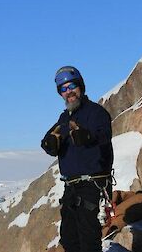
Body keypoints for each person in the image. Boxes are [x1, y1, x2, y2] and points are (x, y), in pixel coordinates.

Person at [41, 66, 114, 252]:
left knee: (88, 240)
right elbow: (50, 141)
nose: (69, 92)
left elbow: (104, 136)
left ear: (80, 87)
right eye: (63, 89)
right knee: (69, 240)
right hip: (71, 188)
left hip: (93, 185)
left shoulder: (96, 113)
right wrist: (49, 144)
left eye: (72, 86)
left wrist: (88, 137)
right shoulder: (64, 118)